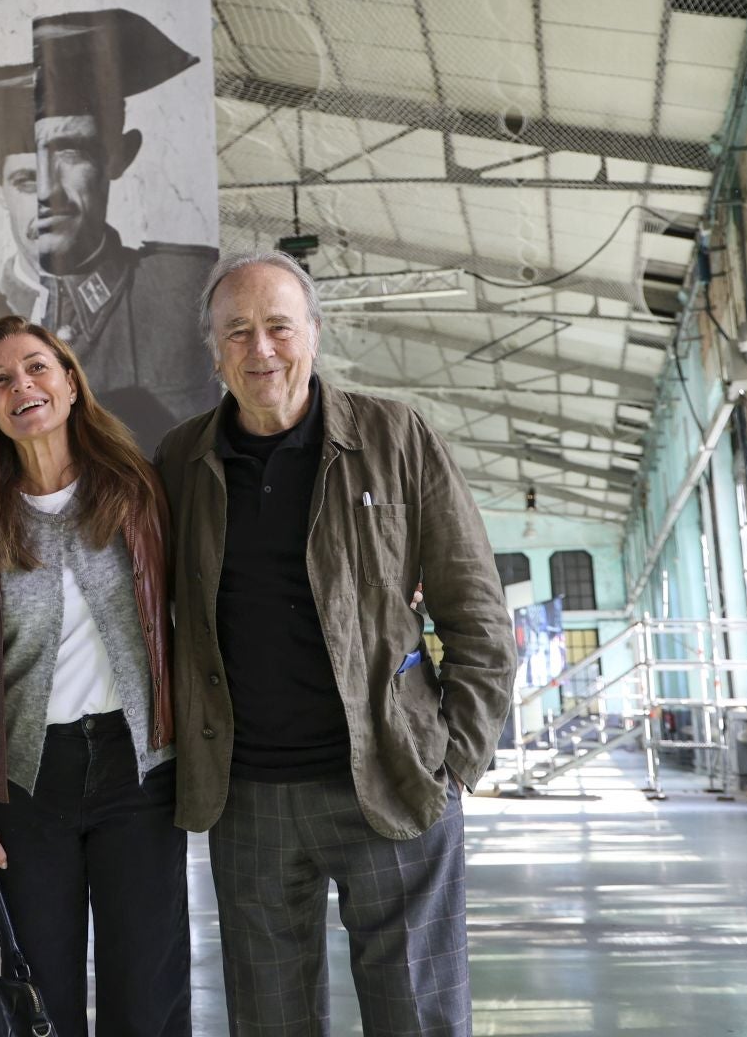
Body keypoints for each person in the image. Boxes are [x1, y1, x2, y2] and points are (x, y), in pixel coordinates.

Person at [153, 251, 516, 1037]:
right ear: (213, 351)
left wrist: (456, 759)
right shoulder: (180, 462)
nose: (262, 351)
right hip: (246, 798)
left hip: (390, 777)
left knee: (416, 1018)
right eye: (238, 332)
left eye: (280, 327)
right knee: (269, 1020)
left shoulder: (396, 437)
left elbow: (476, 610)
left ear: (314, 334)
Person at [0, 8, 221, 582]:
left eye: (70, 155)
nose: (47, 194)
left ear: (118, 156)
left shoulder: (186, 294)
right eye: (23, 179)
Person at [0, 315, 188, 1037]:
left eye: (38, 368)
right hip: (29, 784)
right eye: (1, 380)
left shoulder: (137, 494)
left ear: (72, 383)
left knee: (147, 993)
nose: (23, 386)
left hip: (139, 775)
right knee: (39, 1001)